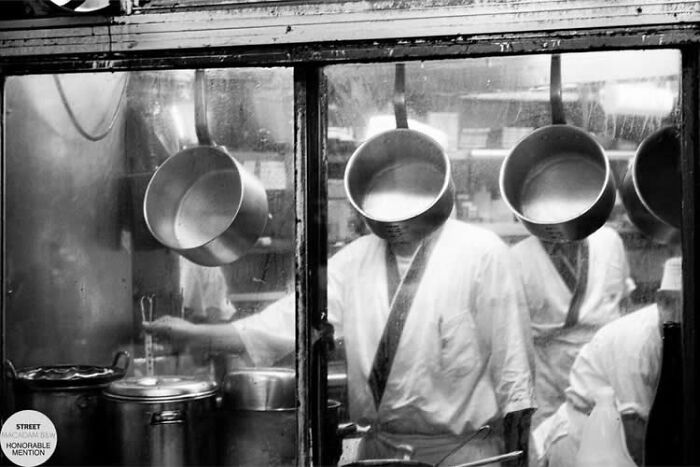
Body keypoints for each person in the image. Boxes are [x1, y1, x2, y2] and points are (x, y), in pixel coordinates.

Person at [144, 146, 536, 466]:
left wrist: (521, 457)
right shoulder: (356, 259)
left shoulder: (483, 254)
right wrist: (194, 335)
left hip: (460, 455)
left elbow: (513, 368)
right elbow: (283, 326)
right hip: (380, 451)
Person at [533, 256, 681, 467]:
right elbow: (636, 435)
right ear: (662, 302)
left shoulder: (674, 334)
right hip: (583, 438)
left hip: (615, 438)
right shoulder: (636, 345)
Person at [509, 225, 635, 431]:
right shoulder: (518, 257)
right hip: (549, 372)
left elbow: (624, 302)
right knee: (552, 441)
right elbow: (516, 337)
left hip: (606, 362)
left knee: (610, 439)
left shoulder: (609, 239)